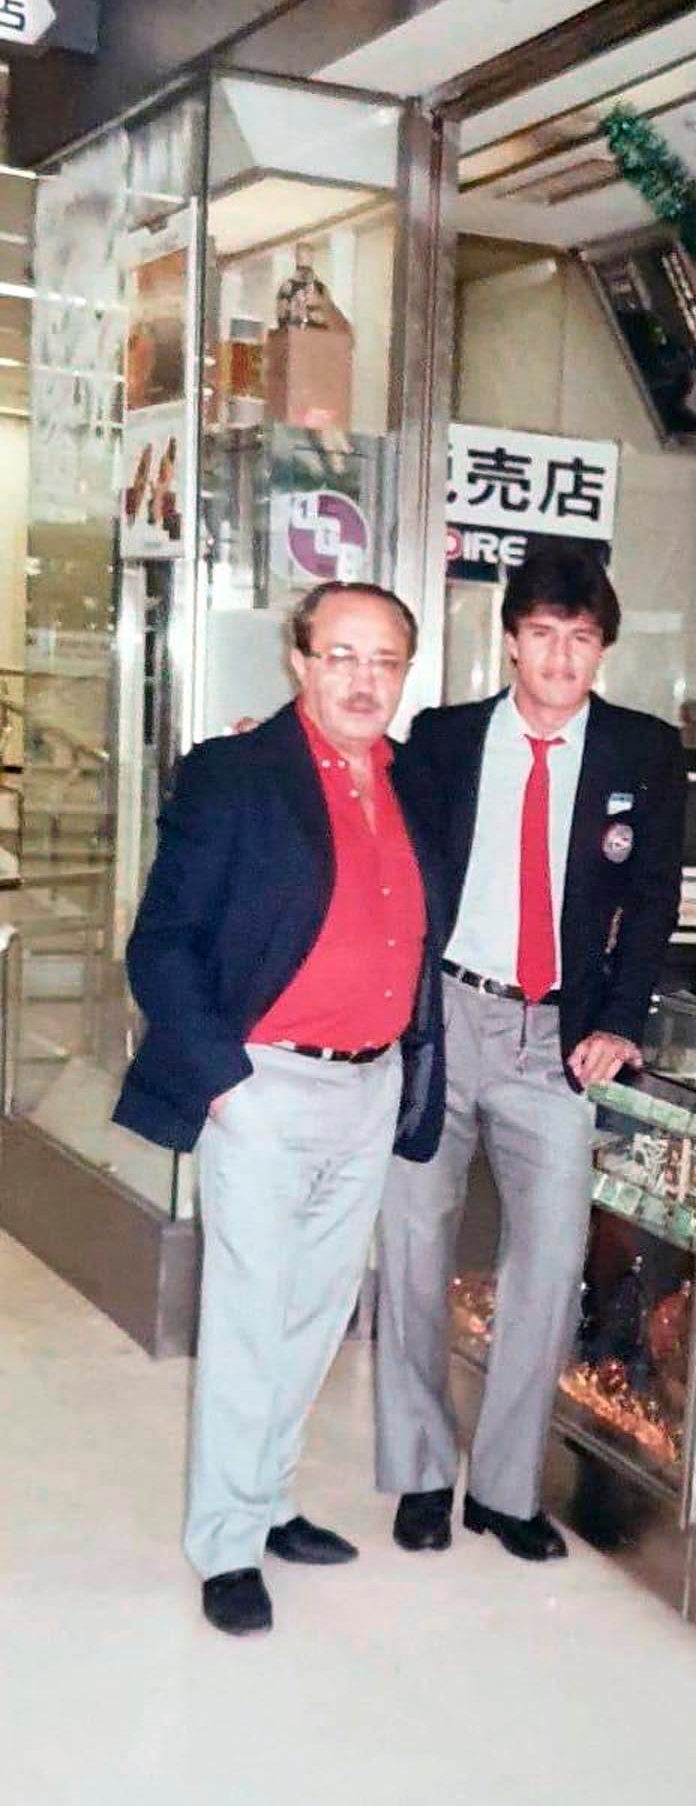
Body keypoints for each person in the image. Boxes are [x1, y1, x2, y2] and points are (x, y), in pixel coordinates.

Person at [113, 582, 445, 1638]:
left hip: (368, 1085)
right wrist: (226, 1081)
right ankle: (225, 1544)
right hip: (264, 1085)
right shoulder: (235, 773)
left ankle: (268, 1500)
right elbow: (160, 943)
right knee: (251, 1318)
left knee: (313, 1315)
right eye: (340, 655)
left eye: (384, 660)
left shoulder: (410, 781)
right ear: (299, 661)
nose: (363, 679)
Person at [376, 540, 686, 1563]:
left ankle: (506, 1489)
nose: (560, 657)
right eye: (543, 635)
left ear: (603, 650)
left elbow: (652, 902)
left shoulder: (643, 752)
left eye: (581, 638)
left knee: (549, 1265)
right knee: (414, 1248)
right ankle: (422, 1473)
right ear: (510, 641)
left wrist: (619, 1020)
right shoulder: (445, 738)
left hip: (557, 1039)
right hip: (445, 1020)